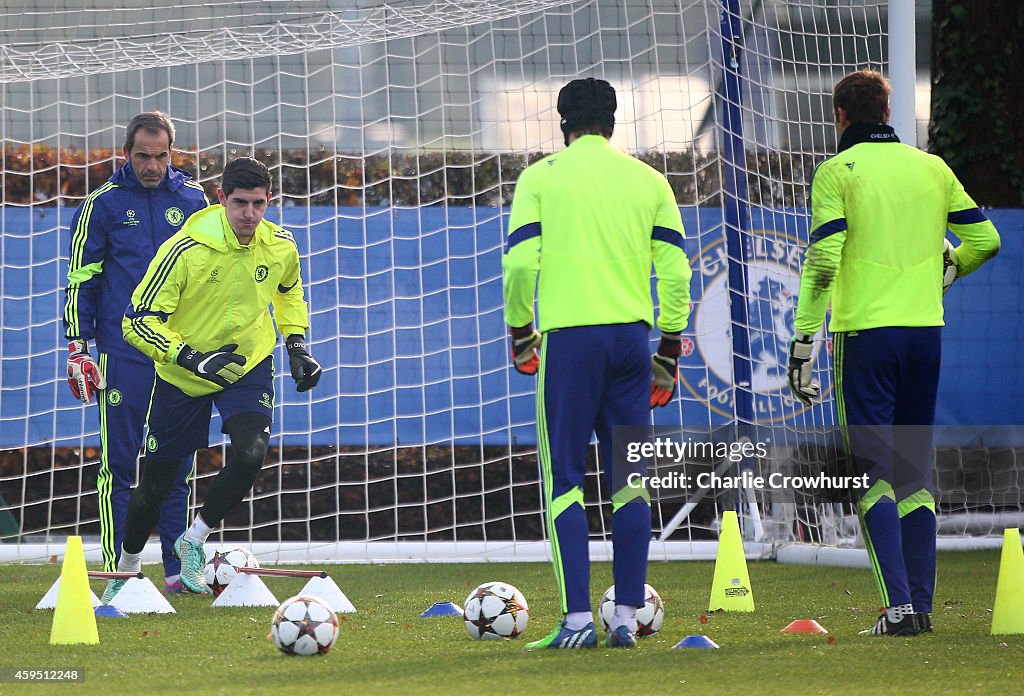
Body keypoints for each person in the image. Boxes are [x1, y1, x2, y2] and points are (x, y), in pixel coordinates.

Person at [788, 69, 1000, 636]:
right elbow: (987, 241)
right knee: (914, 473)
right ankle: (921, 608)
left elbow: (825, 259)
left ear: (839, 116)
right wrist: (945, 271)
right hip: (925, 335)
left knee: (871, 476)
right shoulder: (932, 167)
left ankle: (899, 609)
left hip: (865, 338)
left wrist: (804, 340)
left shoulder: (835, 172)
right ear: (887, 114)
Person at [502, 78, 692, 649]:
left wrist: (520, 334)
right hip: (634, 343)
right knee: (630, 480)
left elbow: (518, 270)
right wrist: (668, 348)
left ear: (563, 124)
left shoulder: (540, 178)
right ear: (614, 122)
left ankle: (579, 620)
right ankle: (628, 617)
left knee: (565, 480)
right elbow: (678, 273)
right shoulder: (648, 180)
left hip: (570, 343)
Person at [101, 156, 321, 600]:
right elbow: (137, 321)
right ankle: (125, 570)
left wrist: (297, 345)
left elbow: (289, 291)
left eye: (259, 204)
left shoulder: (280, 244)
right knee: (157, 484)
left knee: (251, 451)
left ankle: (193, 539)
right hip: (183, 371)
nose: (250, 214)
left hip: (246, 364)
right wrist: (189, 356)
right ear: (222, 198)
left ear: (269, 201)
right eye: (240, 203)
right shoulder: (184, 249)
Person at [63, 112, 208, 594]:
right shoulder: (101, 204)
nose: (152, 165)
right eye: (143, 156)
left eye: (161, 155)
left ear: (173, 152)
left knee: (175, 464)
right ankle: (119, 572)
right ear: (127, 153)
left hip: (177, 354)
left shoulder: (193, 201)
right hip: (122, 354)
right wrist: (77, 344)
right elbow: (81, 277)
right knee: (119, 464)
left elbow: (210, 276)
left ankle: (176, 572)